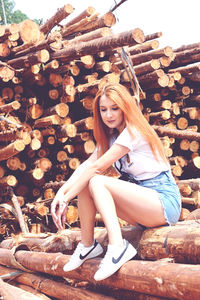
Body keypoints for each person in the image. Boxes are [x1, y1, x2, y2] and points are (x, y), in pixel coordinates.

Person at [51, 83, 181, 281]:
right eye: (103, 110)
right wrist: (61, 193)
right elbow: (87, 165)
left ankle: (117, 248)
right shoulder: (112, 137)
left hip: (163, 202)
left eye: (114, 108)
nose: (109, 115)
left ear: (125, 107)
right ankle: (87, 246)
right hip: (142, 205)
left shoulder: (133, 132)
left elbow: (96, 169)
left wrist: (67, 198)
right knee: (88, 181)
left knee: (96, 181)